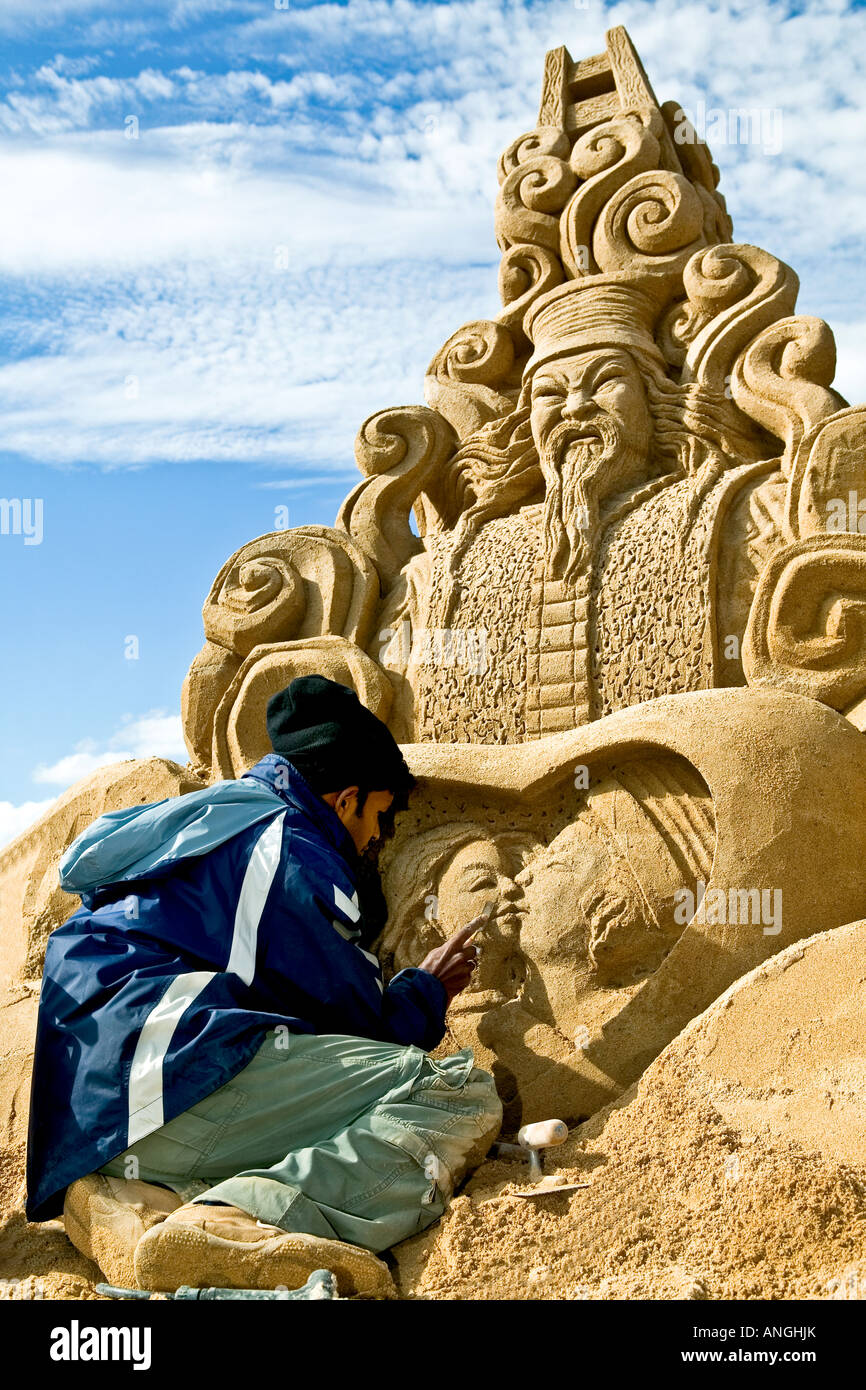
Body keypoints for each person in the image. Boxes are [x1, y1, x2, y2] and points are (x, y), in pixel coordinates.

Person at [25, 675, 502, 1298]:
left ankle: (135, 1201)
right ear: (347, 799)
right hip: (171, 1073)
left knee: (291, 1091)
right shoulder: (291, 846)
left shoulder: (212, 823)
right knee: (456, 1091)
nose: (379, 839)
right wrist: (425, 991)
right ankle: (242, 1223)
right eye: (380, 817)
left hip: (99, 1121)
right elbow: (356, 1024)